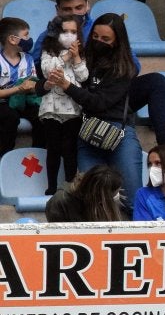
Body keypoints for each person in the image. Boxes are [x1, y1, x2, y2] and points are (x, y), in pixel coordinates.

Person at [35, 0, 165, 155]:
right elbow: (39, 71)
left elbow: (133, 66)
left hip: (110, 92)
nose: (74, 13)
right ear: (57, 10)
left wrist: (106, 67)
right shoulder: (49, 36)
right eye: (67, 9)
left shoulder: (102, 27)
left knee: (156, 81)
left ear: (87, 5)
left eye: (79, 7)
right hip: (77, 98)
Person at [48, 14, 142, 208]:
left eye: (105, 39)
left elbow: (99, 103)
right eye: (95, 36)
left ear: (117, 41)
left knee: (132, 200)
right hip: (87, 132)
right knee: (90, 202)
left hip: (118, 132)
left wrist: (67, 86)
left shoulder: (124, 67)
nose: (99, 42)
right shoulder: (81, 56)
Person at [37, 15, 86, 194]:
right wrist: (66, 57)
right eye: (65, 32)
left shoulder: (79, 55)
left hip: (72, 108)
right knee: (53, 148)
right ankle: (51, 187)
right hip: (51, 108)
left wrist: (77, 57)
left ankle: (70, 187)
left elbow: (83, 77)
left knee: (70, 149)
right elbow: (48, 70)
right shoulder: (49, 53)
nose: (69, 36)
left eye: (74, 32)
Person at [0, 17, 39, 159]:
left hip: (25, 99)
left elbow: (34, 84)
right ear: (12, 39)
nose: (29, 39)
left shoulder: (28, 59)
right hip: (4, 102)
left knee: (41, 115)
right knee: (10, 117)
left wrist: (33, 86)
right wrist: (18, 89)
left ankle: (38, 153)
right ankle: (5, 156)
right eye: (26, 35)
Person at [44, 165, 124, 223]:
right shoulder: (60, 201)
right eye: (114, 194)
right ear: (102, 196)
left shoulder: (101, 200)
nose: (117, 195)